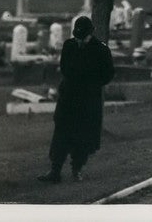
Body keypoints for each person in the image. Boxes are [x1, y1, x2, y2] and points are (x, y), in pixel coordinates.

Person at [38, 15, 115, 183]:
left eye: (84, 37)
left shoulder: (101, 49)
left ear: (91, 34)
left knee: (84, 136)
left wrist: (92, 83)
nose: (80, 41)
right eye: (78, 37)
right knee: (61, 133)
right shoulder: (69, 46)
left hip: (88, 99)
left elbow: (108, 73)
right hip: (69, 97)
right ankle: (55, 171)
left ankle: (77, 169)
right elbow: (65, 68)